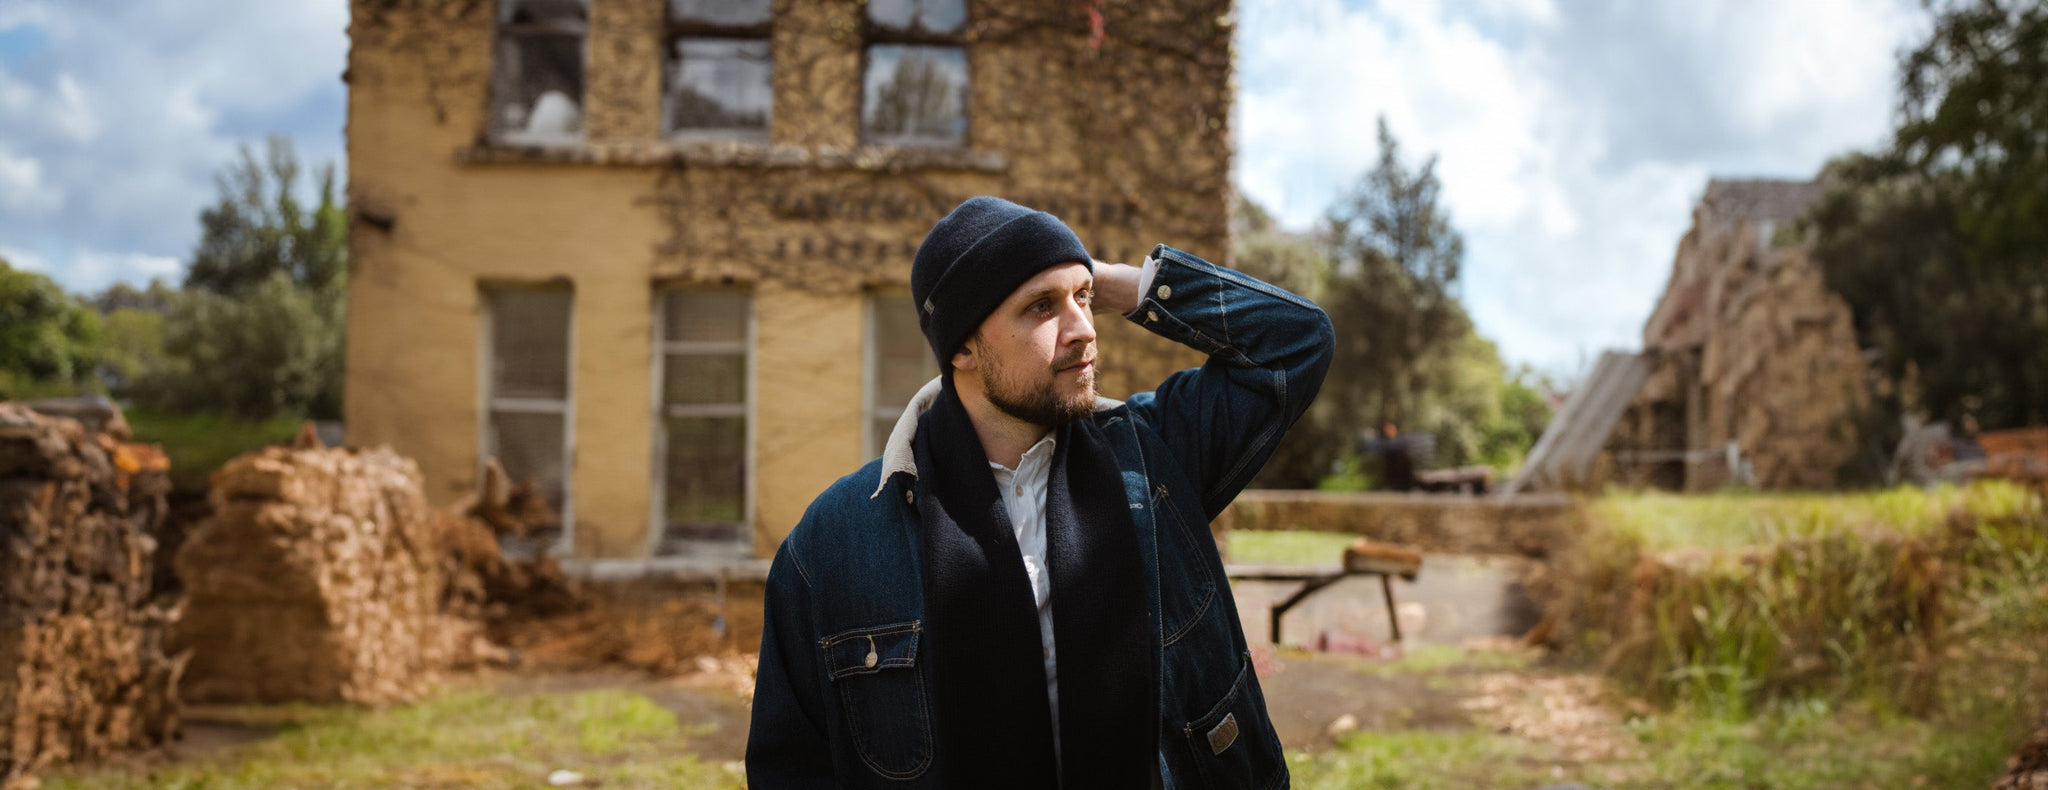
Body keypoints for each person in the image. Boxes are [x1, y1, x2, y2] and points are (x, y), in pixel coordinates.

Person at [746, 196, 1334, 788]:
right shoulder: (833, 541)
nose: (1083, 331)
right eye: (1041, 308)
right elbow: (789, 768)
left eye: (1082, 300)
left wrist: (1106, 279)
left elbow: (1295, 343)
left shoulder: (1154, 462)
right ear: (963, 347)